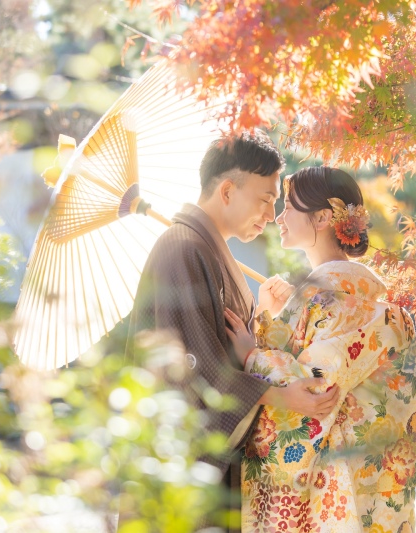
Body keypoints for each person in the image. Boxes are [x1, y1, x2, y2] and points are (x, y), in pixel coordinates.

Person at [126, 133, 340, 532]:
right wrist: (279, 396)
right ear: (227, 190)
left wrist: (262, 314)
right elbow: (194, 367)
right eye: (265, 198)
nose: (271, 212)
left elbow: (223, 345)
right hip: (182, 464)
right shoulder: (182, 249)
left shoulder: (204, 248)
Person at [224, 166, 416, 533]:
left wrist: (252, 354)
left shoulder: (338, 304)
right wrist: (271, 317)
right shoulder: (368, 309)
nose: (278, 218)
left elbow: (315, 390)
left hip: (336, 497)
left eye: (288, 208)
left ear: (322, 218)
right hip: (369, 495)